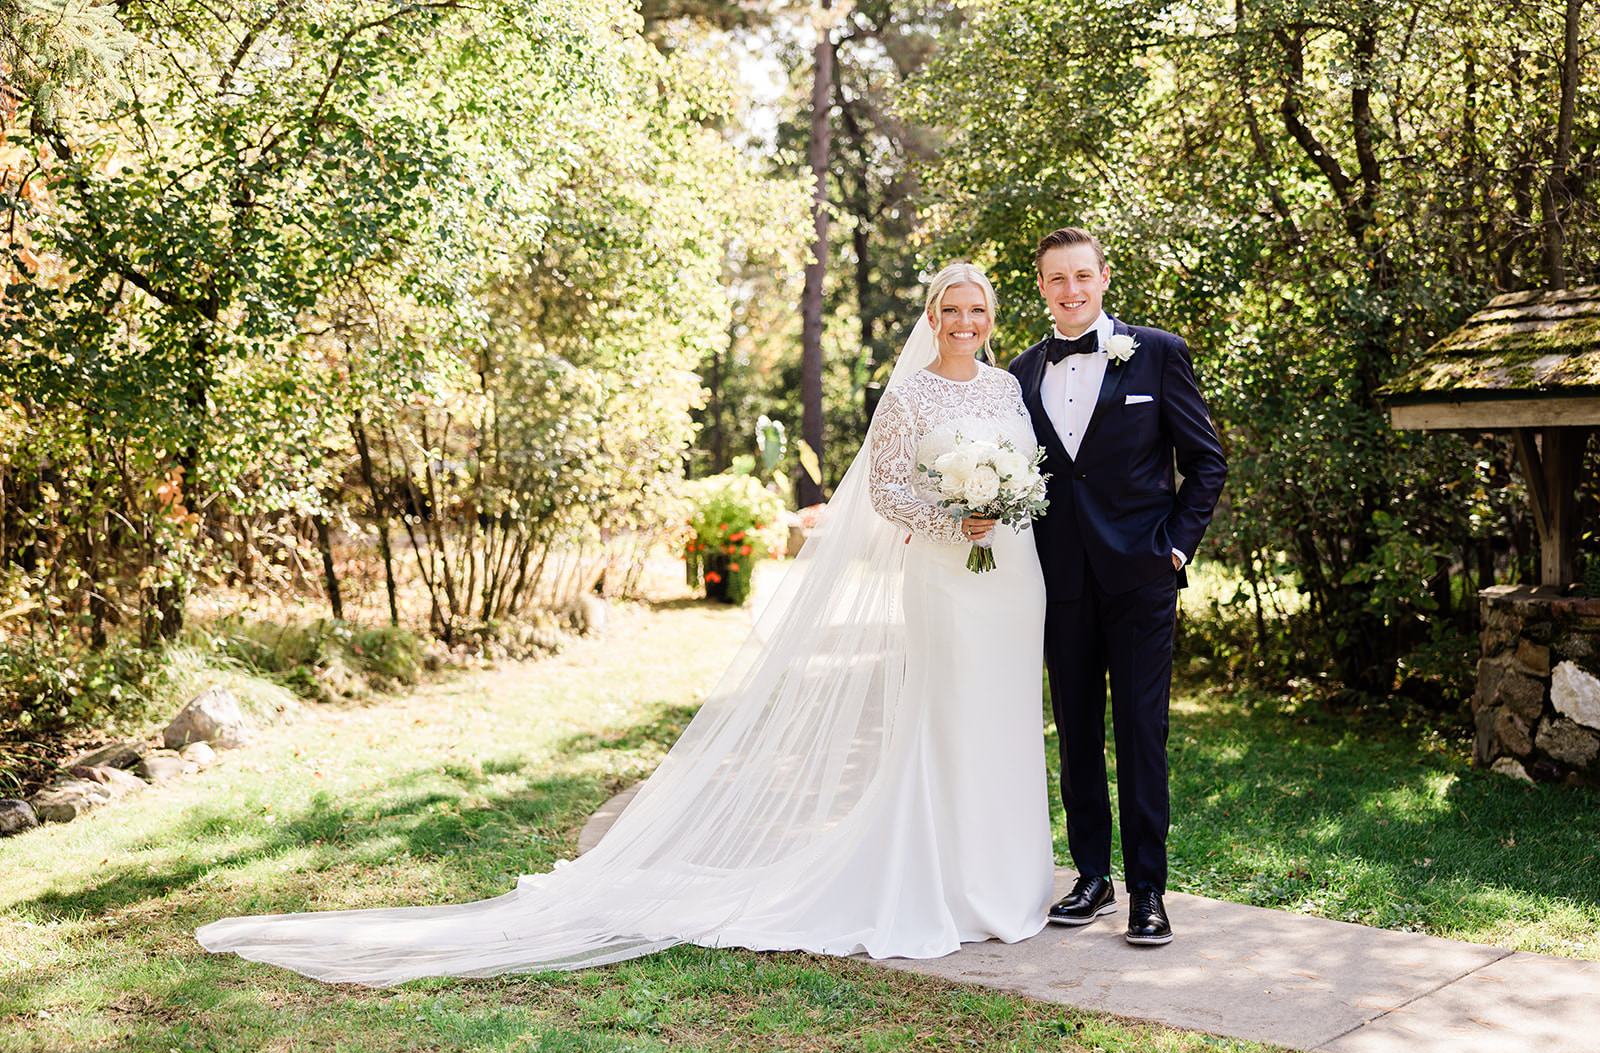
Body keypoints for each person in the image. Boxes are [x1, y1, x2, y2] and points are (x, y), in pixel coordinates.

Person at [195, 263, 1056, 985]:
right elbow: (885, 491)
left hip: (1012, 576)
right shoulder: (907, 394)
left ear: (989, 319)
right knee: (944, 722)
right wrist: (955, 519)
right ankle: (945, 880)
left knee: (1005, 722)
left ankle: (1005, 883)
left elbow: (1029, 472)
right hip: (944, 577)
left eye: (978, 310)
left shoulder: (1009, 386)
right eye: (953, 309)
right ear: (933, 316)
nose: (967, 322)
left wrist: (1002, 505)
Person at [1007, 227, 1226, 947]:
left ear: (1103, 278)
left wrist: (1175, 549)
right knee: (1075, 734)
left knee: (1140, 733)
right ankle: (1092, 876)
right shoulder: (1019, 372)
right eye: (1055, 280)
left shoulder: (1158, 353)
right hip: (1059, 580)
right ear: (1041, 287)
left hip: (1140, 579)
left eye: (1081, 276)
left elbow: (1206, 463)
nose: (1070, 291)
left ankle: (1149, 892)